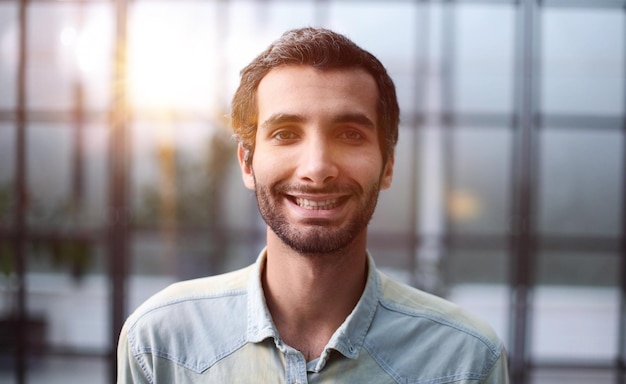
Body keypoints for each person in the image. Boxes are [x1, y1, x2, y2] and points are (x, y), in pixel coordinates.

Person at [117, 27, 509, 383]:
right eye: (286, 134)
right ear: (247, 162)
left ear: (388, 166)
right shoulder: (158, 344)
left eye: (350, 134)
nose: (317, 168)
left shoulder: (468, 361)